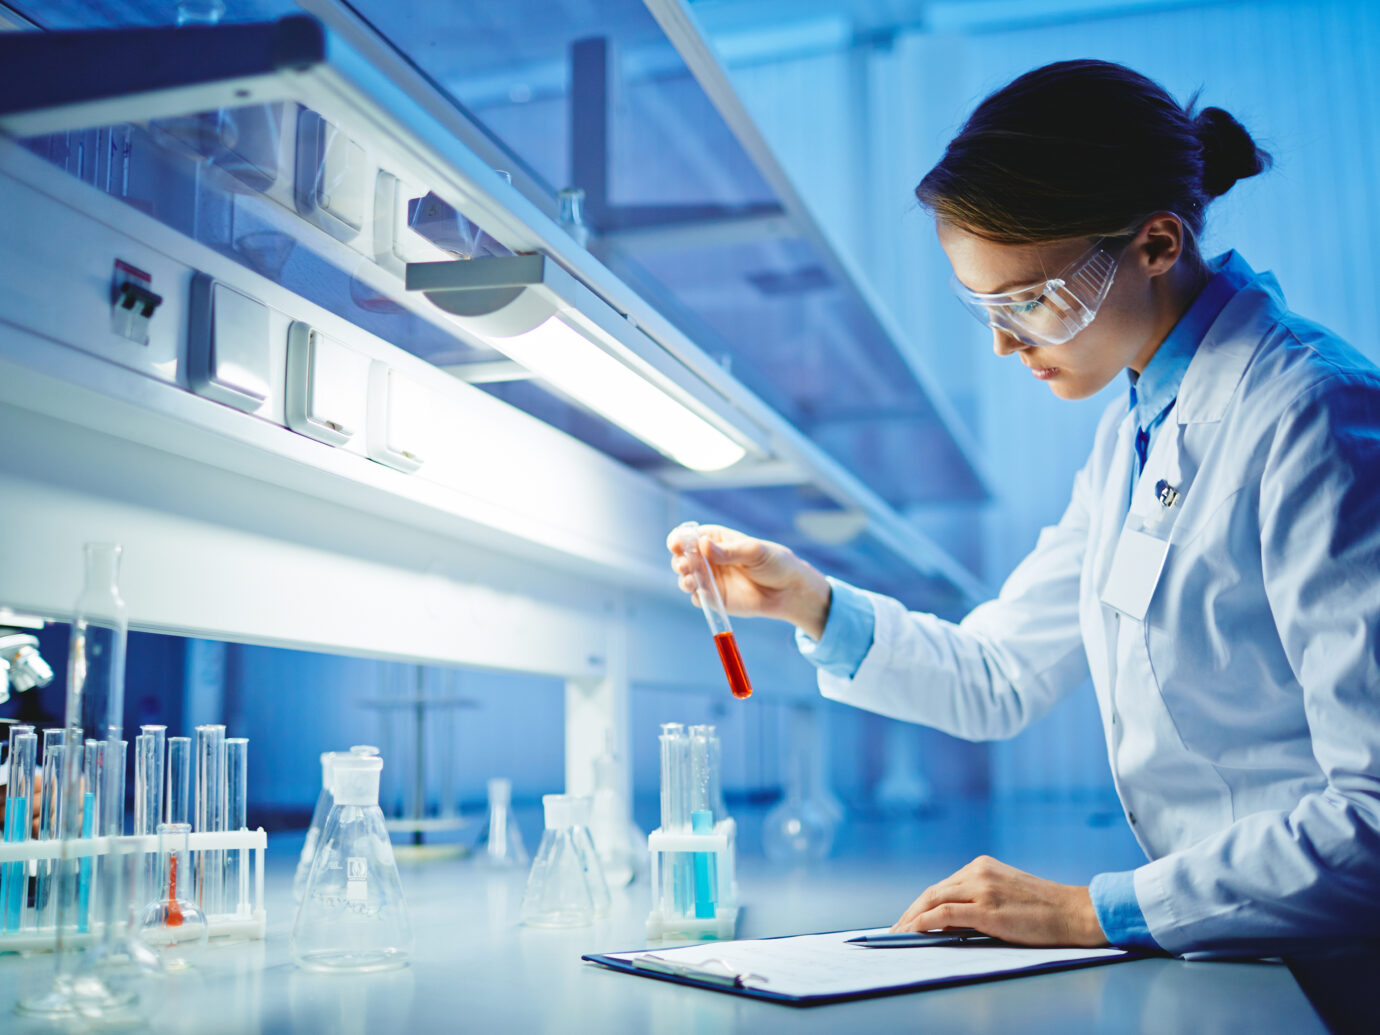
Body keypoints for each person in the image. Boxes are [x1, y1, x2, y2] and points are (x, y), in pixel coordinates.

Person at [667, 59, 1380, 957]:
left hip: (1340, 969)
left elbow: (1374, 819)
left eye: (1035, 299)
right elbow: (1001, 674)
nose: (1007, 341)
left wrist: (1091, 912)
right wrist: (809, 600)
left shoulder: (1313, 413)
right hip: (1241, 954)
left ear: (1157, 244)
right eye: (985, 307)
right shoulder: (1134, 436)